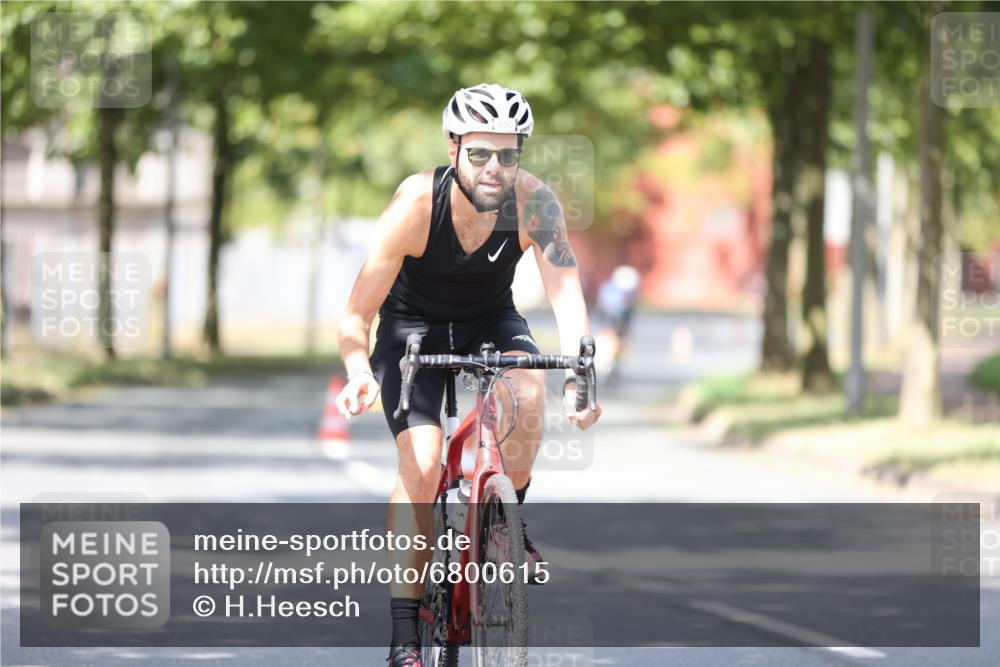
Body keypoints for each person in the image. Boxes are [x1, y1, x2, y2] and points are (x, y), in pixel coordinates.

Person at [334, 83, 602, 667]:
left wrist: (581, 371)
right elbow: (356, 315)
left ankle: (507, 520)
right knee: (424, 465)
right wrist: (358, 370)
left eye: (508, 154)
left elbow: (566, 293)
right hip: (412, 329)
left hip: (490, 320)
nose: (494, 168)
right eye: (480, 153)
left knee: (529, 397)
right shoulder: (414, 205)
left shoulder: (535, 204)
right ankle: (405, 634)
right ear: (453, 147)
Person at [594, 265, 641, 381]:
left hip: (621, 320)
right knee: (611, 340)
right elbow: (607, 311)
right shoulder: (611, 292)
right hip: (611, 319)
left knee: (622, 344)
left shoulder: (626, 293)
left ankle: (614, 364)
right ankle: (606, 363)